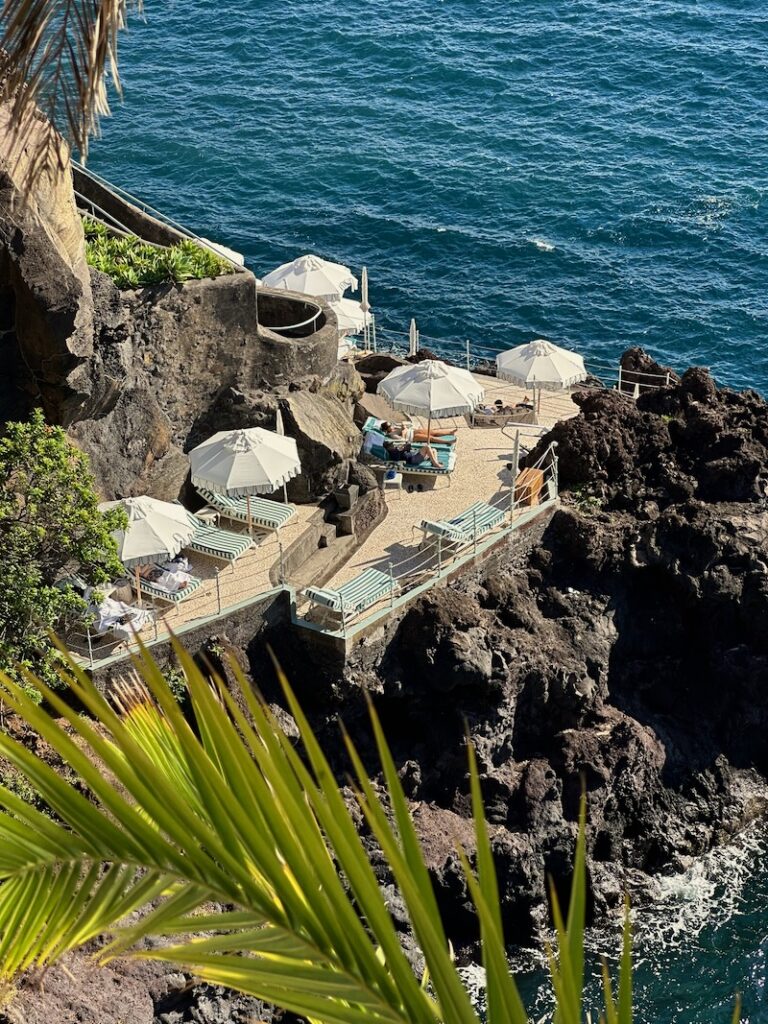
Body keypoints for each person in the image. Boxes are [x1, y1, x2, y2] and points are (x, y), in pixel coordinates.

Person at [380, 421, 455, 445]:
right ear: (387, 428)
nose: (391, 425)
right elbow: (402, 439)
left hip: (413, 431)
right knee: (431, 438)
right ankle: (447, 442)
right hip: (412, 437)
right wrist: (404, 431)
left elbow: (405, 427)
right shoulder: (392, 435)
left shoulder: (394, 428)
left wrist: (402, 426)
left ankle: (450, 432)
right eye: (390, 425)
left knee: (432, 432)